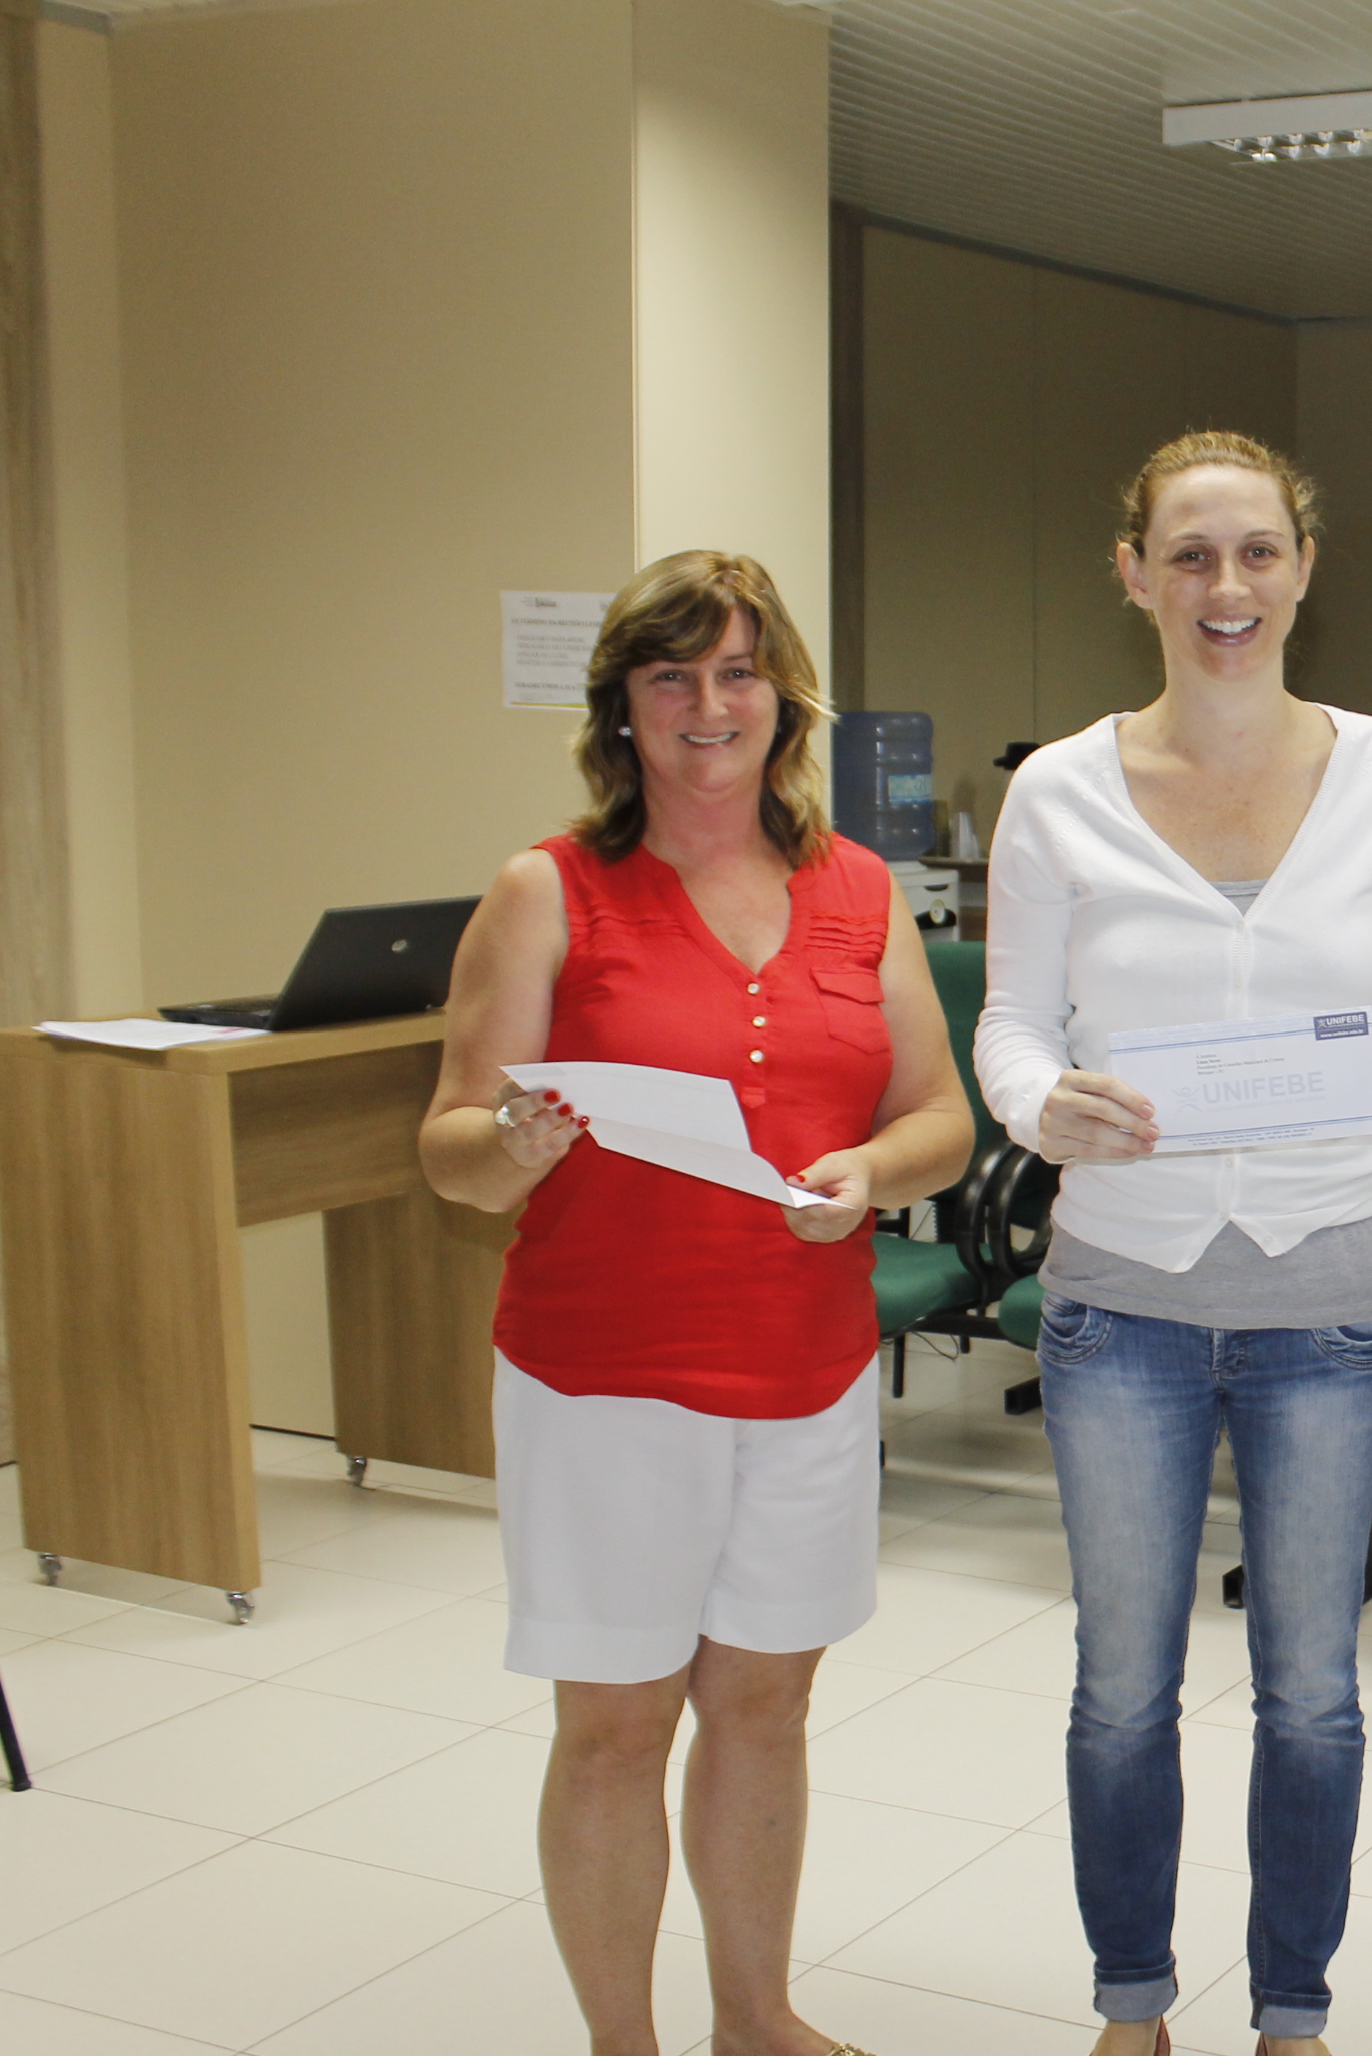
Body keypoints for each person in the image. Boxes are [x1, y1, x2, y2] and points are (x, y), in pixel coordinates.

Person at [974, 430, 1372, 2056]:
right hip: (1120, 1297)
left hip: (1328, 1294)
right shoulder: (1058, 789)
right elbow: (1003, 1025)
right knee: (1122, 1691)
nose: (1226, 587)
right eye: (1189, 555)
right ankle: (1134, 2007)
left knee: (1312, 1696)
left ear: (1302, 568)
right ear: (1133, 573)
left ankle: (1292, 2012)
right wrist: (1042, 1105)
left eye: (1255, 553)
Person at [419, 551, 973, 2056]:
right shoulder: (550, 889)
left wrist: (869, 1165)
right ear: (624, 709)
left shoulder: (859, 893)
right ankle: (626, 2045)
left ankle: (754, 2015)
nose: (707, 705)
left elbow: (942, 1117)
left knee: (766, 1711)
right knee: (612, 1730)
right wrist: (511, 1142)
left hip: (803, 1372)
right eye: (672, 677)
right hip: (603, 1382)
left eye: (738, 673)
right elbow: (452, 1151)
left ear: (782, 700)